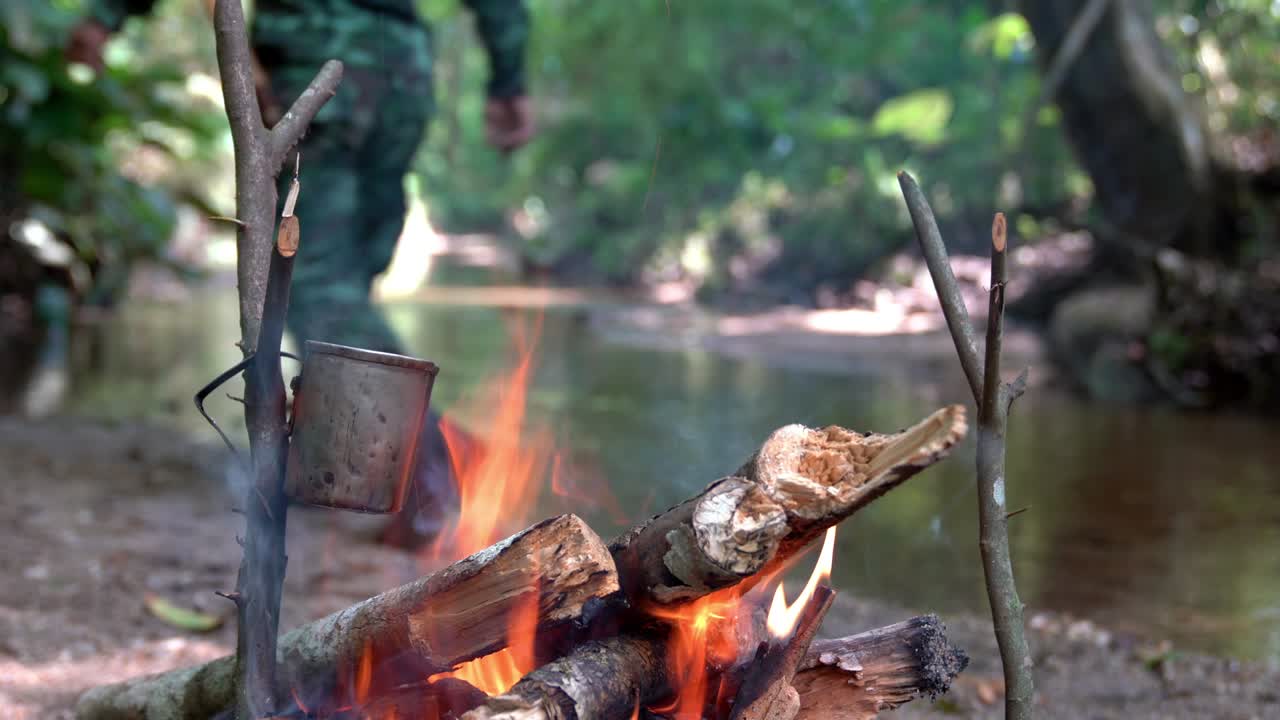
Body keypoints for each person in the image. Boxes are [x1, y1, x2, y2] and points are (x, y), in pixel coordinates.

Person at [67, 0, 535, 548]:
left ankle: (432, 466)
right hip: (403, 76)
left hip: (321, 69)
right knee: (344, 284)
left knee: (320, 288)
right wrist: (507, 80)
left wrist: (105, 16)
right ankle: (335, 465)